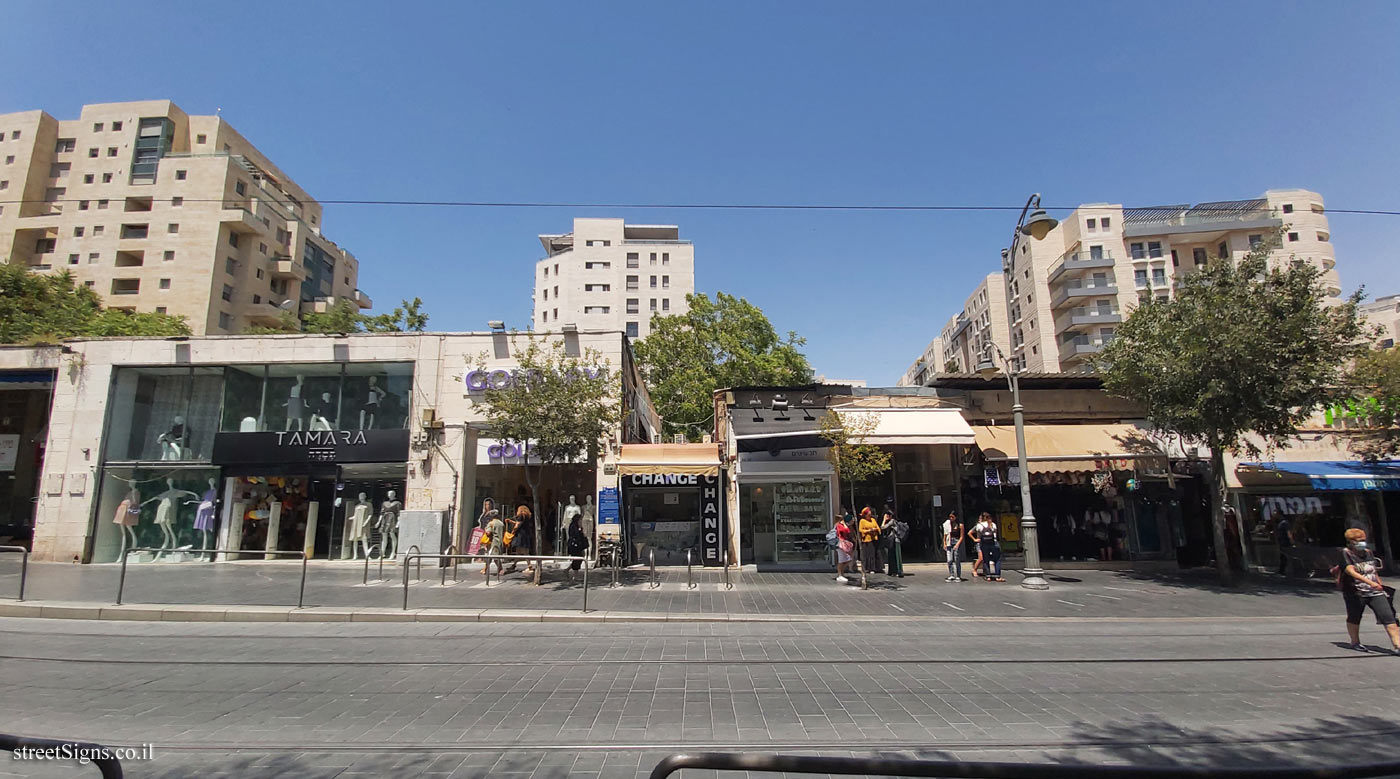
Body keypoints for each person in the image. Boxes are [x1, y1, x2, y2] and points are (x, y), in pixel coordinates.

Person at [1339, 528, 1400, 654]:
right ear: (1351, 542)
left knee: (1389, 617)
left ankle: (1397, 645)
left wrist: (1379, 584)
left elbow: (1373, 570)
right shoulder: (1345, 553)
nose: (1362, 543)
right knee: (1355, 617)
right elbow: (1351, 571)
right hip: (1355, 591)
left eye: (1363, 540)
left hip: (1374, 591)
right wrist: (1370, 583)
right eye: (1359, 541)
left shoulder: (1368, 552)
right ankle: (1355, 642)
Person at [975, 512, 1006, 582]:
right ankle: (998, 577)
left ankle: (988, 576)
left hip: (984, 544)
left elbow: (979, 536)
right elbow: (995, 534)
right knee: (997, 560)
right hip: (994, 543)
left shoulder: (979, 525)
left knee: (986, 560)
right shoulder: (993, 524)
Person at [880, 507, 904, 577]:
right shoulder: (894, 521)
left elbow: (882, 527)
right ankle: (896, 571)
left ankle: (896, 571)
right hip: (895, 541)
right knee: (894, 556)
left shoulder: (892, 521)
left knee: (894, 556)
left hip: (894, 541)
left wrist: (884, 520)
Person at [481, 509, 506, 577]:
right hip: (500, 542)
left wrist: (486, 529)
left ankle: (500, 569)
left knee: (494, 558)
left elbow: (488, 533)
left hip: (493, 543)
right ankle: (485, 569)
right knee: (491, 557)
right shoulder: (501, 523)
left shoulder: (491, 523)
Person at [857, 507, 881, 576]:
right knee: (867, 554)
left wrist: (875, 530)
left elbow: (878, 528)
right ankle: (867, 568)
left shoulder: (873, 520)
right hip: (867, 540)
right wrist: (868, 531)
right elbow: (860, 530)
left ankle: (874, 568)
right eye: (868, 514)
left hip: (874, 539)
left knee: (873, 554)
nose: (870, 516)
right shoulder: (862, 521)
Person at [943, 511, 965, 582]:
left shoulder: (960, 525)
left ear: (956, 517)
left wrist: (957, 544)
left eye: (952, 517)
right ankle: (951, 574)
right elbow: (945, 534)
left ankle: (958, 575)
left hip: (956, 541)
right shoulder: (948, 524)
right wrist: (944, 543)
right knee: (949, 559)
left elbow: (961, 536)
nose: (951, 518)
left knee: (957, 559)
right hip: (949, 541)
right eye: (950, 517)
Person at [566, 515, 589, 579]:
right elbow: (576, 535)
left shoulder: (578, 526)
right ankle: (574, 576)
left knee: (578, 560)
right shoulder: (574, 526)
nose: (581, 521)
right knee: (577, 560)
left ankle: (568, 570)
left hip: (578, 546)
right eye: (580, 520)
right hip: (574, 546)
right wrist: (580, 531)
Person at [834, 513, 854, 583]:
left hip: (844, 544)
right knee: (841, 560)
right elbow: (846, 531)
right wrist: (845, 525)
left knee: (847, 559)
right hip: (840, 544)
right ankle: (840, 575)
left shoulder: (840, 525)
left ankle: (842, 573)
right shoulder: (838, 526)